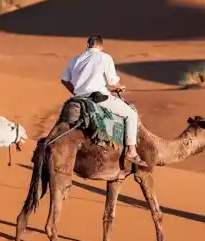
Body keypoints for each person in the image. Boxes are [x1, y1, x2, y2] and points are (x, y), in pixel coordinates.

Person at [61, 35, 146, 167]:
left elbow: (64, 79)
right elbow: (112, 82)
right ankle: (131, 150)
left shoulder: (75, 59)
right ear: (101, 46)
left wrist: (76, 91)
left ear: (87, 44)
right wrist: (119, 87)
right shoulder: (104, 57)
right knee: (131, 115)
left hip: (78, 98)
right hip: (98, 98)